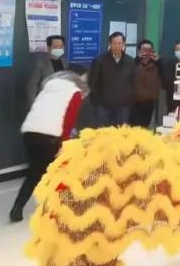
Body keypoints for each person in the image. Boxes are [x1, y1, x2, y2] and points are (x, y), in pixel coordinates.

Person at [9, 67, 88, 222]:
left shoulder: (48, 87)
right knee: (61, 171)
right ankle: (58, 210)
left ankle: (17, 208)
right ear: (77, 77)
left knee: (35, 172)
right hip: (51, 135)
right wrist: (64, 144)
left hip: (30, 131)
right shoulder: (75, 92)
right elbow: (69, 120)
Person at [88, 32, 135, 126]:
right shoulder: (100, 60)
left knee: (120, 131)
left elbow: (133, 82)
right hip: (103, 105)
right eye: (114, 43)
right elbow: (92, 82)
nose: (117, 46)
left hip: (123, 105)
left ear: (123, 44)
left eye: (119, 43)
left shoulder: (130, 61)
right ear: (110, 44)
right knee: (103, 131)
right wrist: (97, 101)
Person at [130, 39, 163, 128]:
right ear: (139, 51)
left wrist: (158, 61)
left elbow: (165, 74)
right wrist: (137, 59)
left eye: (149, 50)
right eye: (144, 50)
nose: (146, 52)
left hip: (150, 102)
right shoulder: (133, 64)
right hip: (134, 102)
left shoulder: (157, 65)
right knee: (132, 127)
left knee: (145, 127)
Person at [27, 35, 68, 100]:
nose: (59, 49)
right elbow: (32, 85)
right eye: (55, 47)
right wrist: (34, 103)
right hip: (45, 100)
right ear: (48, 48)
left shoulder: (65, 63)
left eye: (61, 46)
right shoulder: (40, 63)